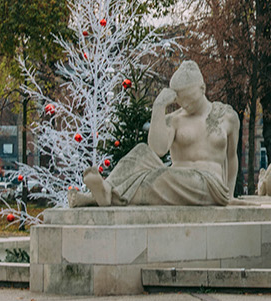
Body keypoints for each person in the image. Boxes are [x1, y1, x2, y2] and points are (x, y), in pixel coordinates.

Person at [74, 61, 240, 207]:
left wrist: (230, 196)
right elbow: (157, 149)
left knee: (157, 179)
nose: (184, 104)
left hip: (209, 185)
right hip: (175, 178)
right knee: (141, 152)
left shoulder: (227, 116)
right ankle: (106, 190)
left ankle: (103, 197)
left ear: (202, 88)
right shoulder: (174, 119)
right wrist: (159, 107)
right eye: (179, 99)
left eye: (189, 98)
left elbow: (231, 158)